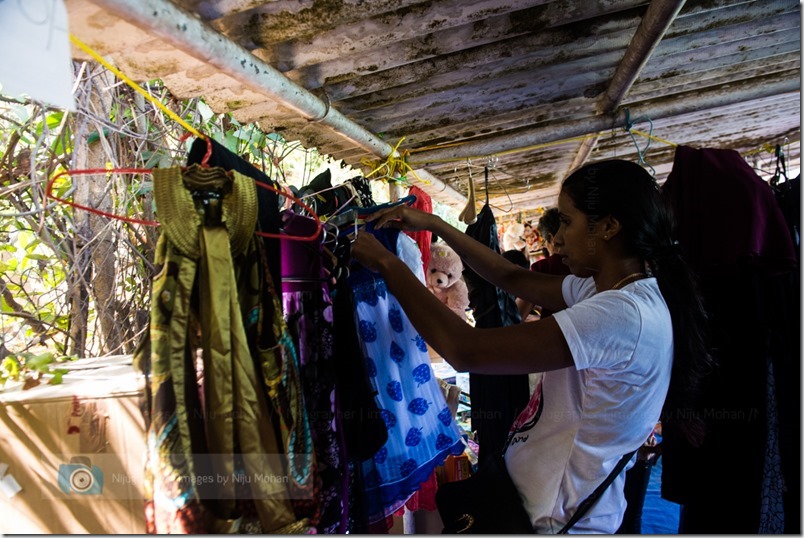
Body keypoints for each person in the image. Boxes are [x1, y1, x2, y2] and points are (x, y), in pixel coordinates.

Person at [350, 159, 712, 533]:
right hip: (538, 505)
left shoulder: (622, 315)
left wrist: (387, 265)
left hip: (554, 521)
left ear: (608, 227)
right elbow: (509, 276)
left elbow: (465, 350)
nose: (560, 236)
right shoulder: (614, 290)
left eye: (568, 222)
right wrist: (436, 225)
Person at [516, 207, 572, 320]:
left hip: (555, 333)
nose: (545, 245)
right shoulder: (589, 263)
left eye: (545, 241)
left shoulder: (542, 268)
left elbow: (517, 315)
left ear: (552, 239)